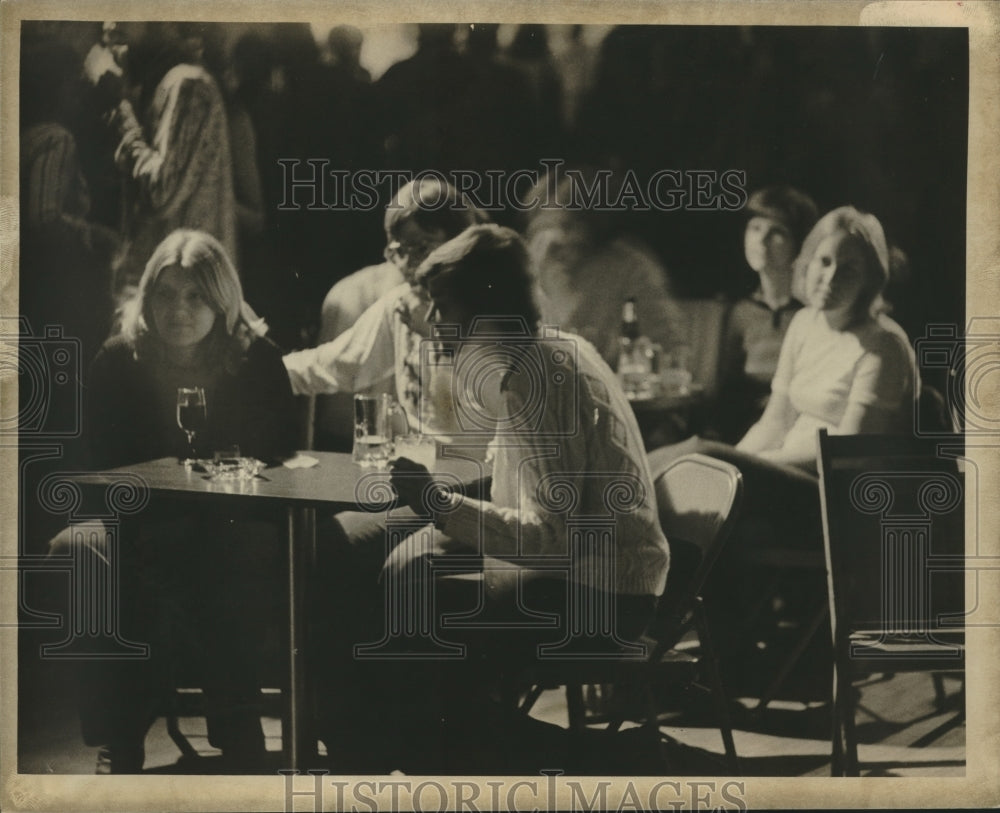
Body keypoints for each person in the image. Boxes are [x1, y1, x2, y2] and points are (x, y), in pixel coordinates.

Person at [316, 224, 670, 773]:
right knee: (396, 591)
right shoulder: (548, 351)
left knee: (407, 621)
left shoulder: (535, 379)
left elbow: (554, 539)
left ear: (486, 304)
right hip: (596, 575)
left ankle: (605, 761)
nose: (431, 321)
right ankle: (389, 752)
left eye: (444, 305)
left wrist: (438, 507)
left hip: (602, 595)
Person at [55, 229, 297, 773]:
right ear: (146, 298)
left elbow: (277, 454)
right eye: (165, 295)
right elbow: (102, 461)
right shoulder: (120, 359)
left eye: (195, 297)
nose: (179, 310)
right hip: (142, 520)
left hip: (236, 519)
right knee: (92, 551)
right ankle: (123, 734)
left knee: (212, 551)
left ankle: (233, 720)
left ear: (222, 301)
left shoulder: (255, 359)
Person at [284, 177, 489, 449]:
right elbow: (334, 365)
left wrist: (439, 337)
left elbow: (513, 394)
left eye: (423, 248)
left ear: (462, 241)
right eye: (398, 251)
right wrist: (260, 366)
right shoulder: (401, 305)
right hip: (421, 473)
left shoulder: (496, 299)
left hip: (485, 478)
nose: (408, 265)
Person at [83, 23, 236, 299]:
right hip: (171, 293)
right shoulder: (164, 82)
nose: (110, 22)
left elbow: (160, 193)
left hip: (184, 299)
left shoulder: (187, 83)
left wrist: (122, 110)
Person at [524, 170, 686, 371]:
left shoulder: (630, 269)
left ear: (590, 223)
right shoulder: (532, 271)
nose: (554, 238)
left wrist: (565, 309)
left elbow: (670, 353)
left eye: (567, 225)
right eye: (543, 225)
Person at [711, 186, 819, 442]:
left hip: (795, 434)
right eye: (755, 228)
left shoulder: (812, 314)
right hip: (746, 433)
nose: (761, 240)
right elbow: (725, 392)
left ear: (799, 244)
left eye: (777, 232)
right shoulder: (739, 312)